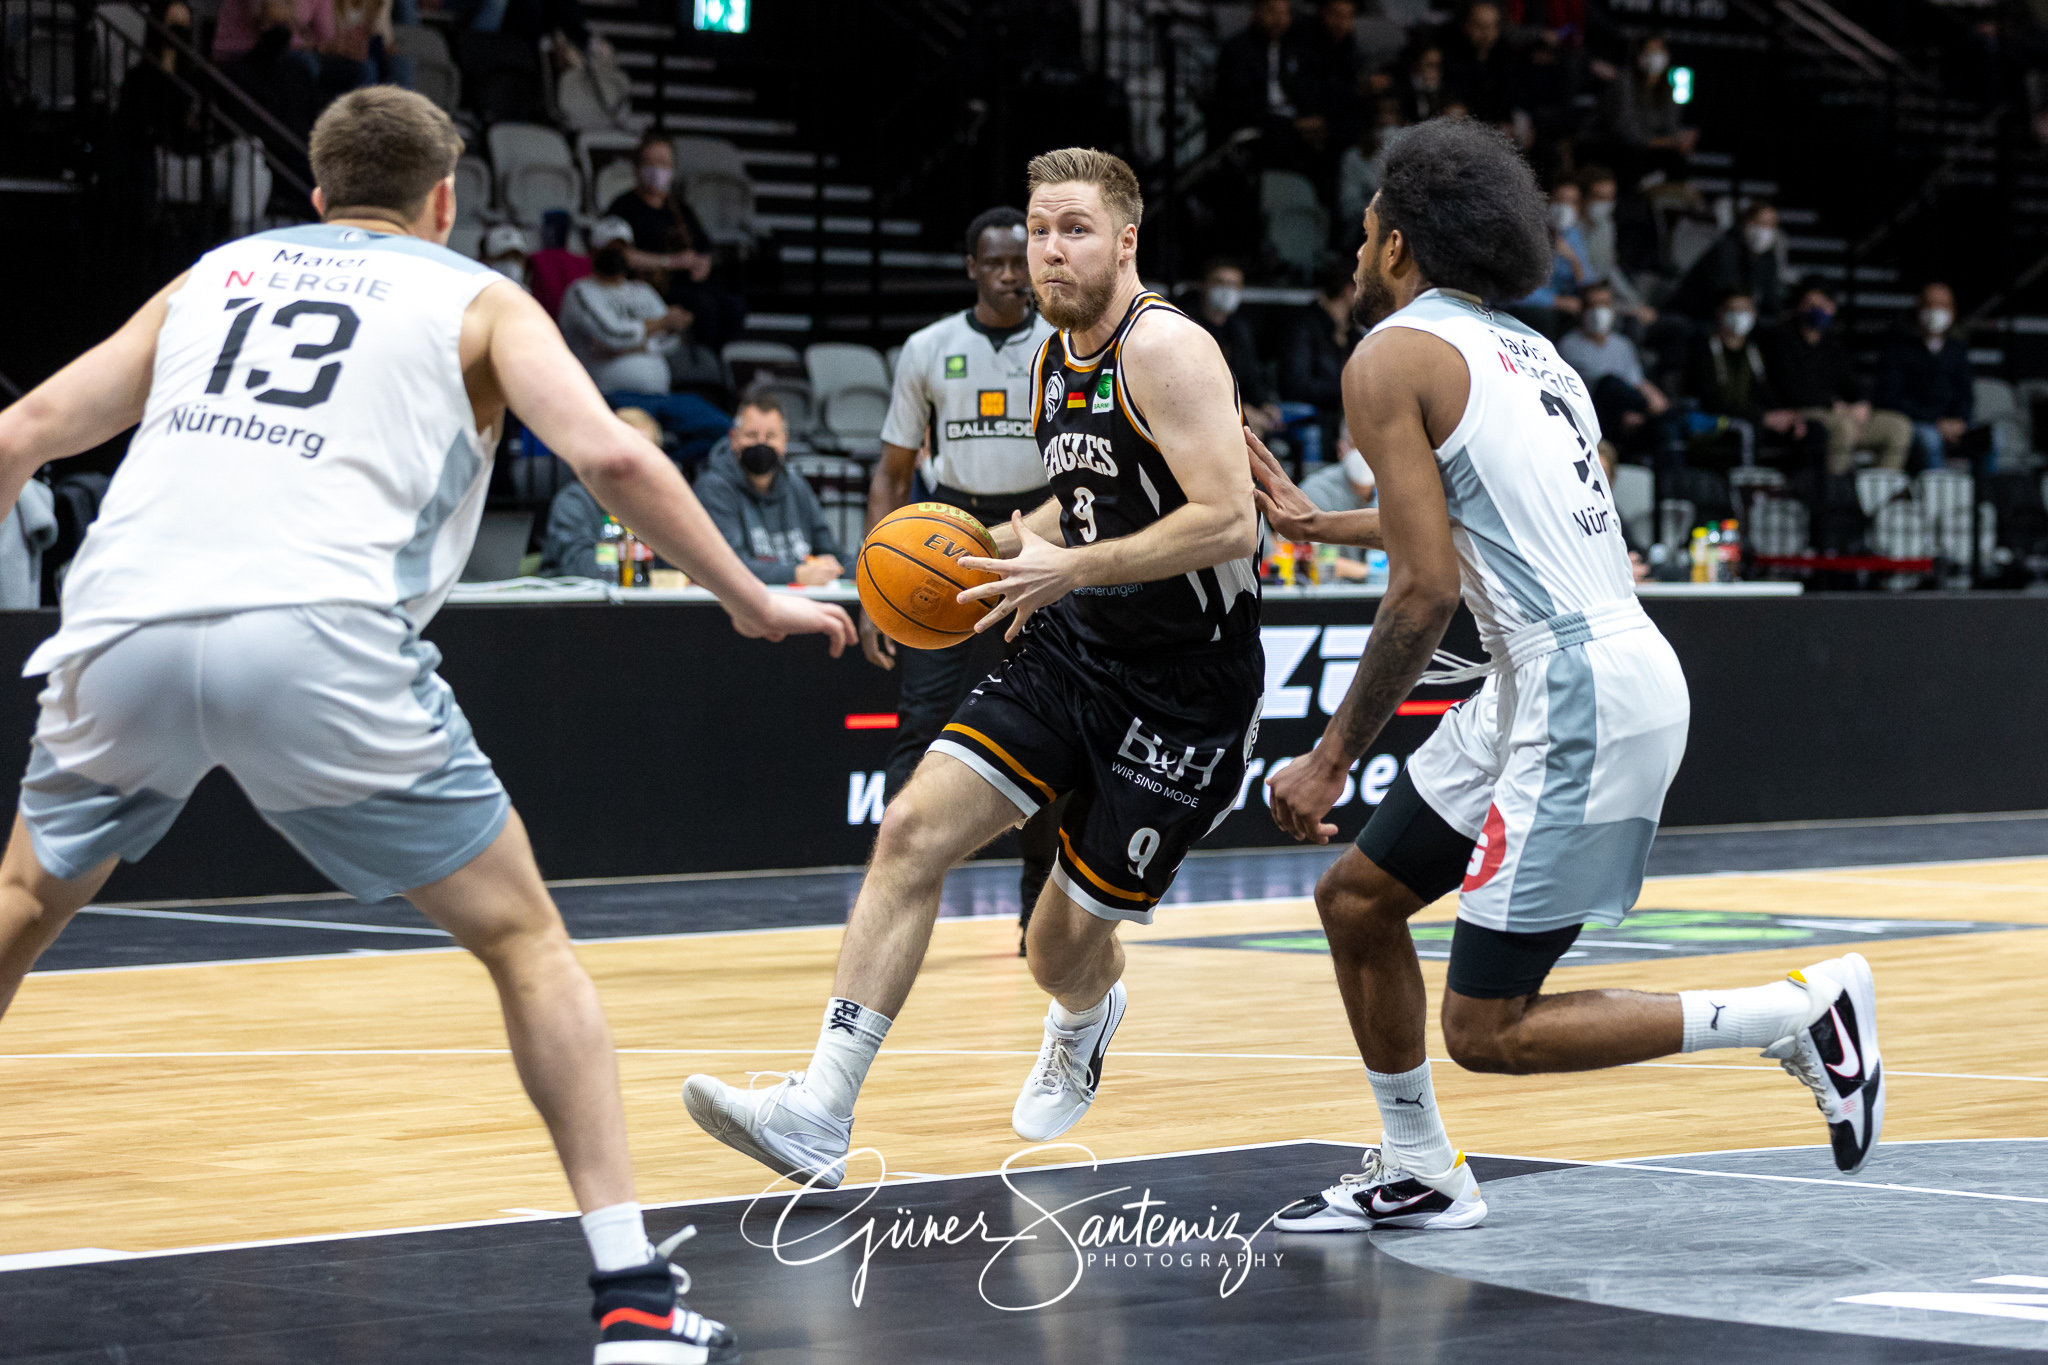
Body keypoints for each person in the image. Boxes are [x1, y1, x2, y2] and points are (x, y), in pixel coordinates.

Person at [0, 86, 854, 1361]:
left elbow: (21, 432)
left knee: (22, 899)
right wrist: (748, 597)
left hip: (121, 620)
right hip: (317, 636)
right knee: (526, 940)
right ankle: (632, 1301)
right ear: (445, 199)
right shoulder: (479, 299)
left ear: (315, 194)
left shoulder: (211, 277)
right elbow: (616, 460)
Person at [1246, 117, 1881, 1235]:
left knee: (1487, 1028)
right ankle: (1420, 1168)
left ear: (1397, 245)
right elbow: (1465, 522)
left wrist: (1331, 756)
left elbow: (1424, 588)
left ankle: (1795, 1014)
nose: (1352, 254)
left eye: (1363, 233)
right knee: (1356, 902)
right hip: (1561, 669)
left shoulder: (1387, 356)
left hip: (1573, 685)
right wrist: (1314, 524)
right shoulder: (1536, 357)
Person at [681, 147, 1265, 1183]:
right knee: (910, 829)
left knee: (1054, 951)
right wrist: (986, 549)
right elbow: (1077, 504)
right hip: (1075, 650)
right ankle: (818, 1111)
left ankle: (1084, 1013)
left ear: (1126, 241)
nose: (1049, 250)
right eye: (1039, 230)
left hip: (1184, 693)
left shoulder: (1165, 349)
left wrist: (1069, 566)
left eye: (1074, 229)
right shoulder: (1051, 358)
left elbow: (1229, 522)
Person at [863, 206, 1059, 954]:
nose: (1012, 275)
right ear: (972, 268)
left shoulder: (1063, 343)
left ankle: (1037, 903)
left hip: (1038, 534)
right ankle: (891, 900)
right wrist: (873, 590)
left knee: (1050, 730)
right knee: (920, 723)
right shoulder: (929, 347)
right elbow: (891, 475)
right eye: (996, 263)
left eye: (1020, 262)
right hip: (941, 534)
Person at [557, 217, 730, 465]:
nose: (617, 254)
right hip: (610, 397)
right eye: (610, 248)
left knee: (725, 431)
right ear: (593, 251)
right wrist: (660, 324)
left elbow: (671, 340)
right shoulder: (580, 292)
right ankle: (653, 470)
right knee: (639, 444)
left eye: (623, 248)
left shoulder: (642, 291)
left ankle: (667, 467)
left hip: (661, 396)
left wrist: (634, 342)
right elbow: (613, 334)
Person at [602, 133, 746, 353]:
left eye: (663, 164)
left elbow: (702, 246)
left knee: (733, 305)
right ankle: (700, 363)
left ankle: (718, 361)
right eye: (650, 163)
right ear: (637, 167)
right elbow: (619, 254)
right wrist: (670, 262)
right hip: (651, 285)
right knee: (704, 308)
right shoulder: (624, 207)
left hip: (688, 282)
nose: (657, 170)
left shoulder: (679, 207)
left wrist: (702, 264)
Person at [1761, 282, 1912, 477]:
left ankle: (1881, 489)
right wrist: (1834, 405)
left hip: (1839, 412)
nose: (1818, 310)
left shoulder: (1833, 344)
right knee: (1844, 427)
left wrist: (1861, 403)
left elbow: (1851, 383)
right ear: (1799, 306)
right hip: (1803, 411)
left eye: (1824, 305)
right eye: (1811, 305)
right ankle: (1835, 489)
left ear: (1832, 308)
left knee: (1898, 426)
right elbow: (1791, 390)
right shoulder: (1781, 341)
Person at [695, 395, 843, 585]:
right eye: (751, 435)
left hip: (801, 598)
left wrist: (842, 567)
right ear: (733, 438)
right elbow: (725, 566)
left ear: (784, 441)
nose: (761, 443)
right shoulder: (713, 488)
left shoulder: (796, 486)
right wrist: (796, 575)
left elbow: (830, 552)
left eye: (770, 436)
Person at [539, 407, 661, 581]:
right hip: (580, 596)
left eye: (648, 453)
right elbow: (581, 566)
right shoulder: (575, 500)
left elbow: (676, 566)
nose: (638, 463)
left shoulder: (656, 504)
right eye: (630, 452)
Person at [1874, 283, 1976, 473]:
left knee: (1992, 438)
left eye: (1943, 306)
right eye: (1930, 305)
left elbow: (1966, 394)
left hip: (1951, 421)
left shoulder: (1957, 350)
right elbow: (1891, 397)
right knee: (1931, 440)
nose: (1936, 311)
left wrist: (1960, 420)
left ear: (1953, 311)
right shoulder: (1898, 348)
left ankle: (1984, 491)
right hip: (1917, 420)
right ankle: (1937, 491)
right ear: (1919, 308)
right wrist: (1935, 421)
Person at [1559, 279, 1666, 446]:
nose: (1599, 311)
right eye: (1593, 305)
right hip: (1594, 413)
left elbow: (1636, 381)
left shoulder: (1622, 344)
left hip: (1630, 413)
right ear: (1582, 310)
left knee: (1664, 420)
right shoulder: (1569, 345)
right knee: (1609, 383)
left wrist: (1656, 400)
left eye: (1604, 304)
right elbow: (1591, 388)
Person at [1280, 260, 1363, 458]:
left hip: (1344, 422)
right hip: (1314, 419)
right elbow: (1296, 385)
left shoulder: (1353, 334)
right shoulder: (1305, 326)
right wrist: (1346, 390)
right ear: (1349, 290)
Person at [1194, 259, 1285, 435]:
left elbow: (1251, 376)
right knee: (1249, 427)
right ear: (1205, 285)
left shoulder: (1239, 330)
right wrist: (1238, 409)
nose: (1227, 290)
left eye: (1234, 285)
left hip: (1232, 409)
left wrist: (1264, 405)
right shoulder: (1185, 325)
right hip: (1198, 410)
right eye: (1220, 283)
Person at [1674, 200, 1787, 323]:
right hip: (1698, 317)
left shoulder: (1768, 258)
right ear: (1746, 223)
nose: (1765, 230)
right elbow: (1725, 294)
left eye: (1771, 225)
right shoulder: (1726, 249)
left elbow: (1770, 299)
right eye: (1761, 223)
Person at [1295, 433, 1379, 579]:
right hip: (1332, 590)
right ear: (1341, 449)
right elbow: (1315, 562)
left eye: (1373, 445)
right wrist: (1375, 572)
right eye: (1355, 445)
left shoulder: (1397, 491)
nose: (1364, 453)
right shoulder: (1316, 490)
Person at [481, 221, 529, 287]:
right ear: (485, 260)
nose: (511, 264)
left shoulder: (527, 293)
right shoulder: (474, 292)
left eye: (516, 258)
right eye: (503, 258)